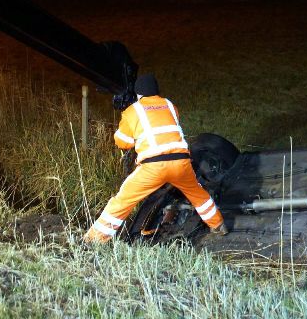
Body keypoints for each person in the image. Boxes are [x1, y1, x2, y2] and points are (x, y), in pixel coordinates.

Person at [84, 74, 228, 243]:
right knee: (198, 194)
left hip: (153, 167)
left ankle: (95, 239)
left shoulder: (132, 111)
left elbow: (123, 142)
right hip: (181, 163)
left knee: (122, 201)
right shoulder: (170, 105)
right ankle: (218, 225)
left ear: (138, 94)